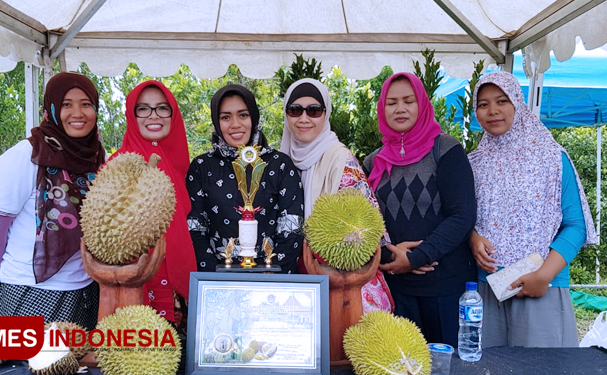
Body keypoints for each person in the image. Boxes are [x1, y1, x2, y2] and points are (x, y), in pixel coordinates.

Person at [468, 71, 597, 348]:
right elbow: (464, 216)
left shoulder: (551, 157)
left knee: (541, 366)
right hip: (487, 288)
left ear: (517, 103)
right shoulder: (474, 164)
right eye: (483, 104)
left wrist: (544, 275)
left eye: (501, 101)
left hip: (541, 287)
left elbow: (576, 225)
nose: (492, 111)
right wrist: (472, 237)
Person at [0, 72, 105, 330]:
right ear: (51, 108)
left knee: (76, 368)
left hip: (86, 292)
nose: (77, 113)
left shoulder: (97, 157)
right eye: (66, 104)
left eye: (86, 104)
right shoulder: (26, 155)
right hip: (27, 293)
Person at [363, 72, 477, 347]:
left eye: (408, 101)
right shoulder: (372, 163)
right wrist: (390, 254)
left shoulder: (447, 151)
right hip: (395, 290)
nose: (400, 109)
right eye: (391, 103)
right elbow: (366, 219)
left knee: (447, 366)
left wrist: (416, 257)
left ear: (422, 104)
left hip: (446, 289)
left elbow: (462, 215)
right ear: (382, 108)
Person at [280, 78, 393, 313]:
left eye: (313, 110)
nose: (303, 118)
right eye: (295, 110)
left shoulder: (340, 158)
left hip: (342, 280)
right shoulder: (281, 160)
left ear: (325, 114)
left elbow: (368, 228)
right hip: (295, 275)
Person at [109, 80, 197, 334]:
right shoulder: (118, 166)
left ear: (173, 113)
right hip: (135, 286)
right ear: (132, 115)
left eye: (162, 108)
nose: (153, 116)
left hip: (178, 291)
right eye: (143, 109)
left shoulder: (180, 165)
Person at [186, 84, 304, 273]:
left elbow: (291, 228)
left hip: (272, 281)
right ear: (216, 121)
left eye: (243, 115)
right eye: (226, 117)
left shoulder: (279, 164)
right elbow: (195, 228)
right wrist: (213, 278)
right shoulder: (202, 167)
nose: (235, 124)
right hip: (217, 280)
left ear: (254, 118)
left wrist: (272, 275)